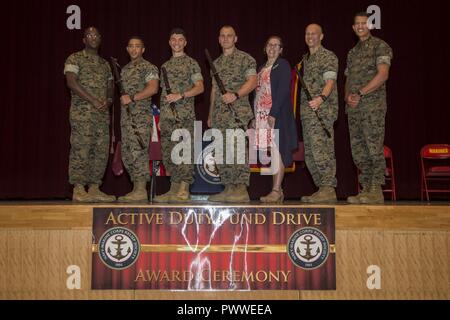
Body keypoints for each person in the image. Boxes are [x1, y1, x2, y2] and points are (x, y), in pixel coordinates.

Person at [345, 12, 393, 204]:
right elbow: (348, 79)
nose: (360, 26)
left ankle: (376, 189)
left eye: (364, 23)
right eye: (357, 23)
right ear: (353, 28)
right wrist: (348, 97)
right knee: (358, 150)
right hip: (354, 109)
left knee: (373, 147)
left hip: (372, 107)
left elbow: (383, 75)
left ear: (370, 26)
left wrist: (361, 94)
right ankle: (366, 188)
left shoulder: (380, 46)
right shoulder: (352, 52)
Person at [64, 27, 116, 202]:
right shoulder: (75, 58)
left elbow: (110, 86)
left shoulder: (104, 64)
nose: (93, 38)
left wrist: (108, 100)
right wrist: (93, 100)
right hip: (82, 114)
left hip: (101, 115)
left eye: (96, 35)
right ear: (84, 39)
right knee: (81, 148)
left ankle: (94, 188)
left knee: (100, 151)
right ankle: (79, 188)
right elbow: (71, 82)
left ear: (100, 39)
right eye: (89, 35)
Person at [207, 25, 257, 203]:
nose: (226, 39)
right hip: (220, 115)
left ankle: (241, 190)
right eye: (222, 36)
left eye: (229, 36)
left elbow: (253, 81)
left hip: (238, 113)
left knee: (237, 151)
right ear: (219, 39)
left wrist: (235, 95)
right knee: (221, 152)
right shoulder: (217, 63)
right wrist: (211, 113)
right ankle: (228, 188)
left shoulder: (245, 59)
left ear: (235, 39)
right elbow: (214, 90)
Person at [154, 28, 204, 203]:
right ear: (169, 42)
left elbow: (200, 87)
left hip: (184, 116)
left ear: (185, 43)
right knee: (169, 154)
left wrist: (181, 95)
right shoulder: (165, 66)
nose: (176, 42)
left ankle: (184, 187)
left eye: (180, 39)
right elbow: (162, 94)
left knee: (184, 152)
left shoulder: (192, 63)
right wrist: (160, 117)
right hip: (167, 118)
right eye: (173, 39)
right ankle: (173, 188)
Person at [253, 36, 298, 203]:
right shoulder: (261, 68)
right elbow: (257, 94)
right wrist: (254, 116)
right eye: (269, 45)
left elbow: (283, 91)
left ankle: (276, 190)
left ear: (281, 50)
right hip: (262, 115)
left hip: (276, 114)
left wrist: (274, 113)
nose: (272, 48)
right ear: (265, 48)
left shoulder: (283, 65)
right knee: (272, 152)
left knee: (278, 150)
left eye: (276, 45)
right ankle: (278, 190)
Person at [299, 24, 339, 203]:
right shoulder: (306, 59)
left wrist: (321, 98)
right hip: (307, 114)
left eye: (314, 34)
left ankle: (328, 188)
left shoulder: (327, 56)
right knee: (310, 153)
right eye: (307, 33)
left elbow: (330, 81)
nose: (310, 36)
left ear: (321, 36)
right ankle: (322, 188)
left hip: (322, 111)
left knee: (322, 149)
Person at [117, 36, 159, 202]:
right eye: (131, 46)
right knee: (127, 153)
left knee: (138, 152)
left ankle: (141, 190)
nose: (134, 49)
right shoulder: (124, 70)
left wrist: (133, 97)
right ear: (127, 49)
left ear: (143, 49)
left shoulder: (148, 67)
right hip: (126, 119)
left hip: (140, 118)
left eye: (137, 46)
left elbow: (153, 88)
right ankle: (136, 188)